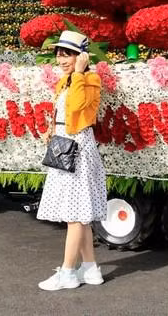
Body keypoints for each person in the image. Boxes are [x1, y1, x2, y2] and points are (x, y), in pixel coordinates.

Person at [36, 30, 107, 291]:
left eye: (67, 54)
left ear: (81, 57)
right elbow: (62, 111)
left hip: (78, 148)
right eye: (59, 54)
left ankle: (67, 272)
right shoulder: (65, 81)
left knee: (74, 216)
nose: (61, 59)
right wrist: (51, 129)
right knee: (79, 215)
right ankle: (91, 269)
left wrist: (78, 73)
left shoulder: (89, 79)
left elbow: (77, 106)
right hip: (64, 145)